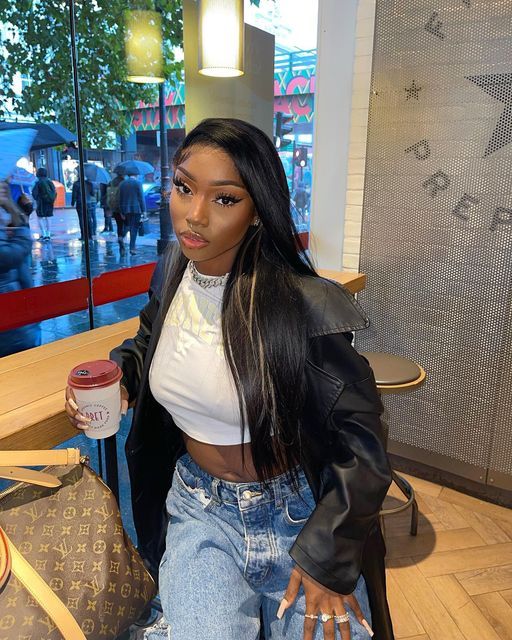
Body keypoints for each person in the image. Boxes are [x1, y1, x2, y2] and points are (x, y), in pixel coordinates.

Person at [65, 119, 393, 640]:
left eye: (224, 199)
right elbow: (152, 341)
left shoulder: (304, 305)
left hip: (298, 514)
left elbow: (364, 446)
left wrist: (328, 556)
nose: (193, 215)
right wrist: (122, 376)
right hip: (200, 511)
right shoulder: (173, 269)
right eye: (184, 188)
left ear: (257, 209)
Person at [0, 181, 41, 356]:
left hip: (19, 300)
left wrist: (10, 206)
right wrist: (22, 234)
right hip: (8, 306)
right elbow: (5, 256)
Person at [119, 171, 145, 255]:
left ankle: (121, 236)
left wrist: (121, 211)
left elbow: (120, 198)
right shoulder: (138, 183)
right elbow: (141, 197)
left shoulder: (122, 184)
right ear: (136, 174)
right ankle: (132, 248)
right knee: (134, 228)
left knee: (127, 225)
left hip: (125, 209)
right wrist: (144, 210)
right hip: (136, 209)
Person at [31, 167, 56, 240]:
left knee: (40, 218)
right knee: (48, 218)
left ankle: (44, 234)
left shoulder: (38, 182)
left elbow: (34, 193)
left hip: (41, 203)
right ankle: (48, 234)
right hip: (49, 203)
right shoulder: (50, 182)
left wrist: (37, 199)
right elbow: (54, 192)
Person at [71, 176, 98, 240]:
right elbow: (92, 194)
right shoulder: (89, 184)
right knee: (88, 219)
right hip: (88, 203)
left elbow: (74, 194)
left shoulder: (76, 184)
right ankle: (90, 235)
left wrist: (73, 202)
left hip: (80, 203)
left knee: (81, 219)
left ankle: (83, 235)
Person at [106, 174, 126, 256]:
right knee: (126, 225)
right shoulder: (123, 183)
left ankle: (120, 237)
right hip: (122, 208)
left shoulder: (112, 183)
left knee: (119, 225)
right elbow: (121, 198)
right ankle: (121, 238)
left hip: (114, 209)